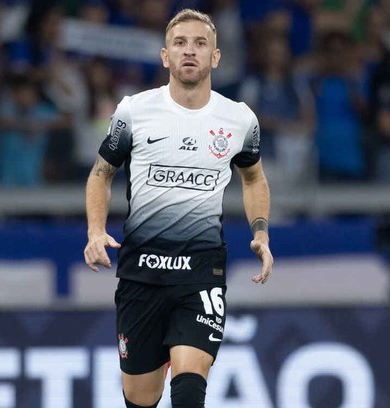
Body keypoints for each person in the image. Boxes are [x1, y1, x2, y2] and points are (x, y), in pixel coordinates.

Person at [83, 9, 273, 408]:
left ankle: (182, 359)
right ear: (165, 56)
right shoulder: (133, 111)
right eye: (180, 44)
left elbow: (253, 177)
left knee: (189, 384)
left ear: (216, 57)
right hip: (142, 275)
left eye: (200, 43)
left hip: (201, 274)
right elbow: (101, 173)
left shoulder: (239, 119)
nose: (190, 51)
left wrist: (260, 232)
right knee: (141, 396)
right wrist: (95, 231)